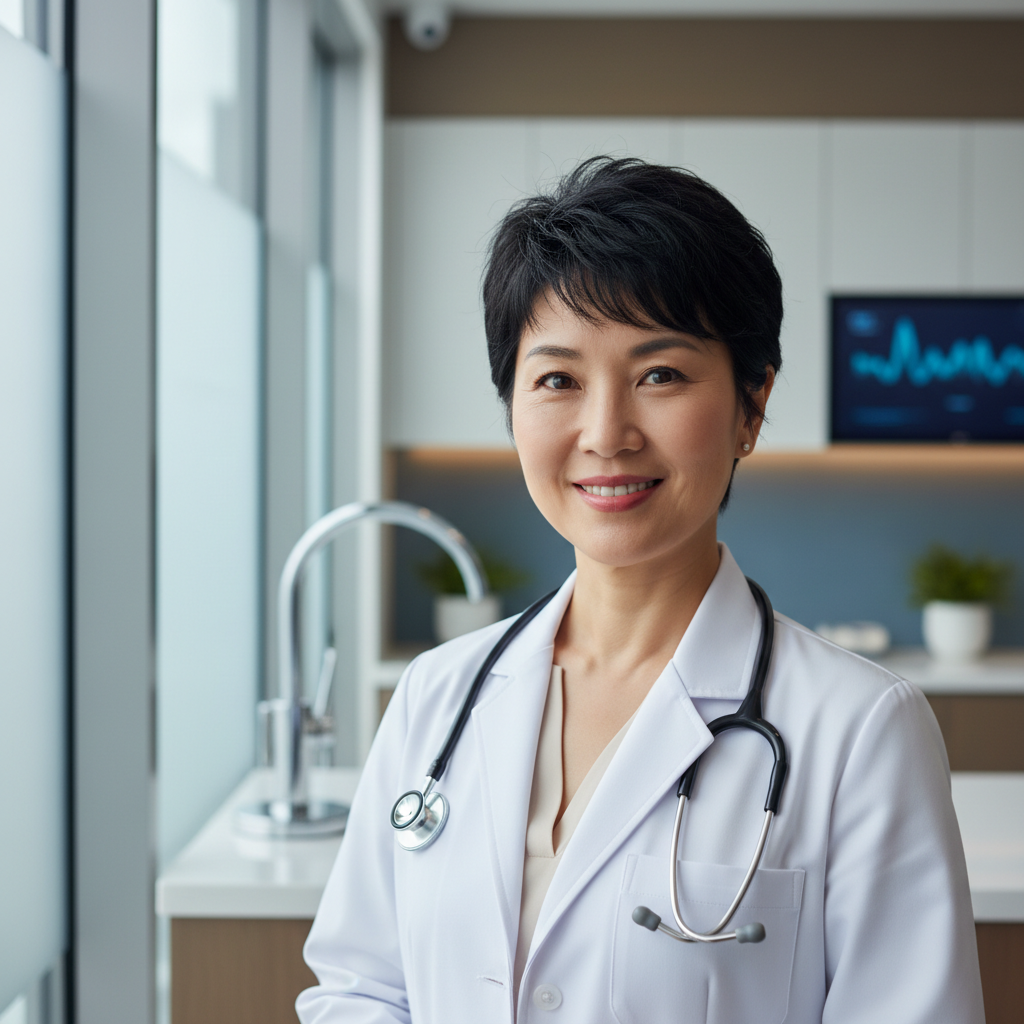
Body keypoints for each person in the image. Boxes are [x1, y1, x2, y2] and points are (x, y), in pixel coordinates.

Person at [296, 158, 984, 1023]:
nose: (605, 433)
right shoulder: (438, 697)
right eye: (557, 379)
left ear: (751, 404)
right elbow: (360, 988)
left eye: (660, 374)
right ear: (511, 403)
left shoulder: (860, 732)